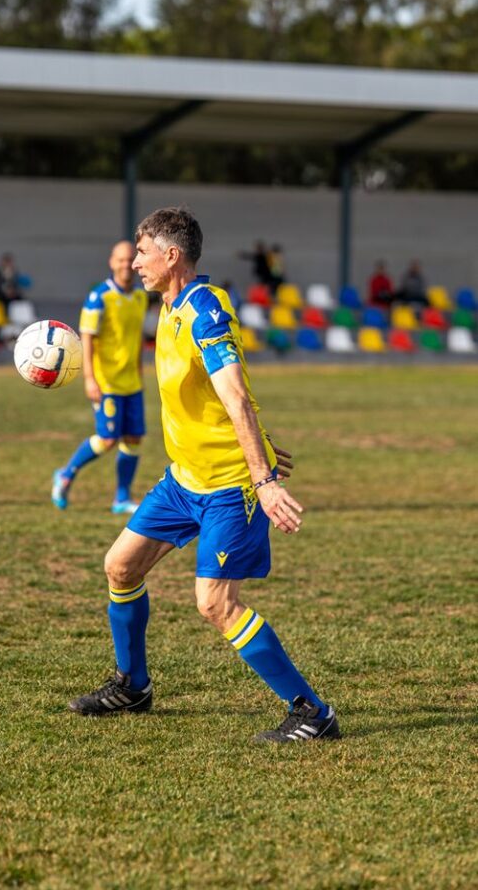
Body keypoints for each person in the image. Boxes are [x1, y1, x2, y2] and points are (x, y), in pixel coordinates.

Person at [69, 208, 340, 743]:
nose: (136, 263)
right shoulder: (168, 309)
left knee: (215, 602)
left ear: (172, 257)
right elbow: (215, 404)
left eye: (143, 253)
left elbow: (235, 393)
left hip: (228, 488)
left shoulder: (205, 311)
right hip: (183, 480)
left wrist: (261, 478)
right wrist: (259, 443)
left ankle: (313, 712)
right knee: (120, 567)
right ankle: (134, 685)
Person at [52, 240, 148, 515]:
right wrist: (89, 379)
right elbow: (87, 338)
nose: (126, 265)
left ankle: (121, 499)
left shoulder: (140, 297)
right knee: (107, 440)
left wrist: (140, 370)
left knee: (132, 439)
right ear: (111, 262)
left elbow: (137, 337)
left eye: (131, 259)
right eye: (120, 259)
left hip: (132, 382)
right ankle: (66, 473)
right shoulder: (99, 297)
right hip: (106, 382)